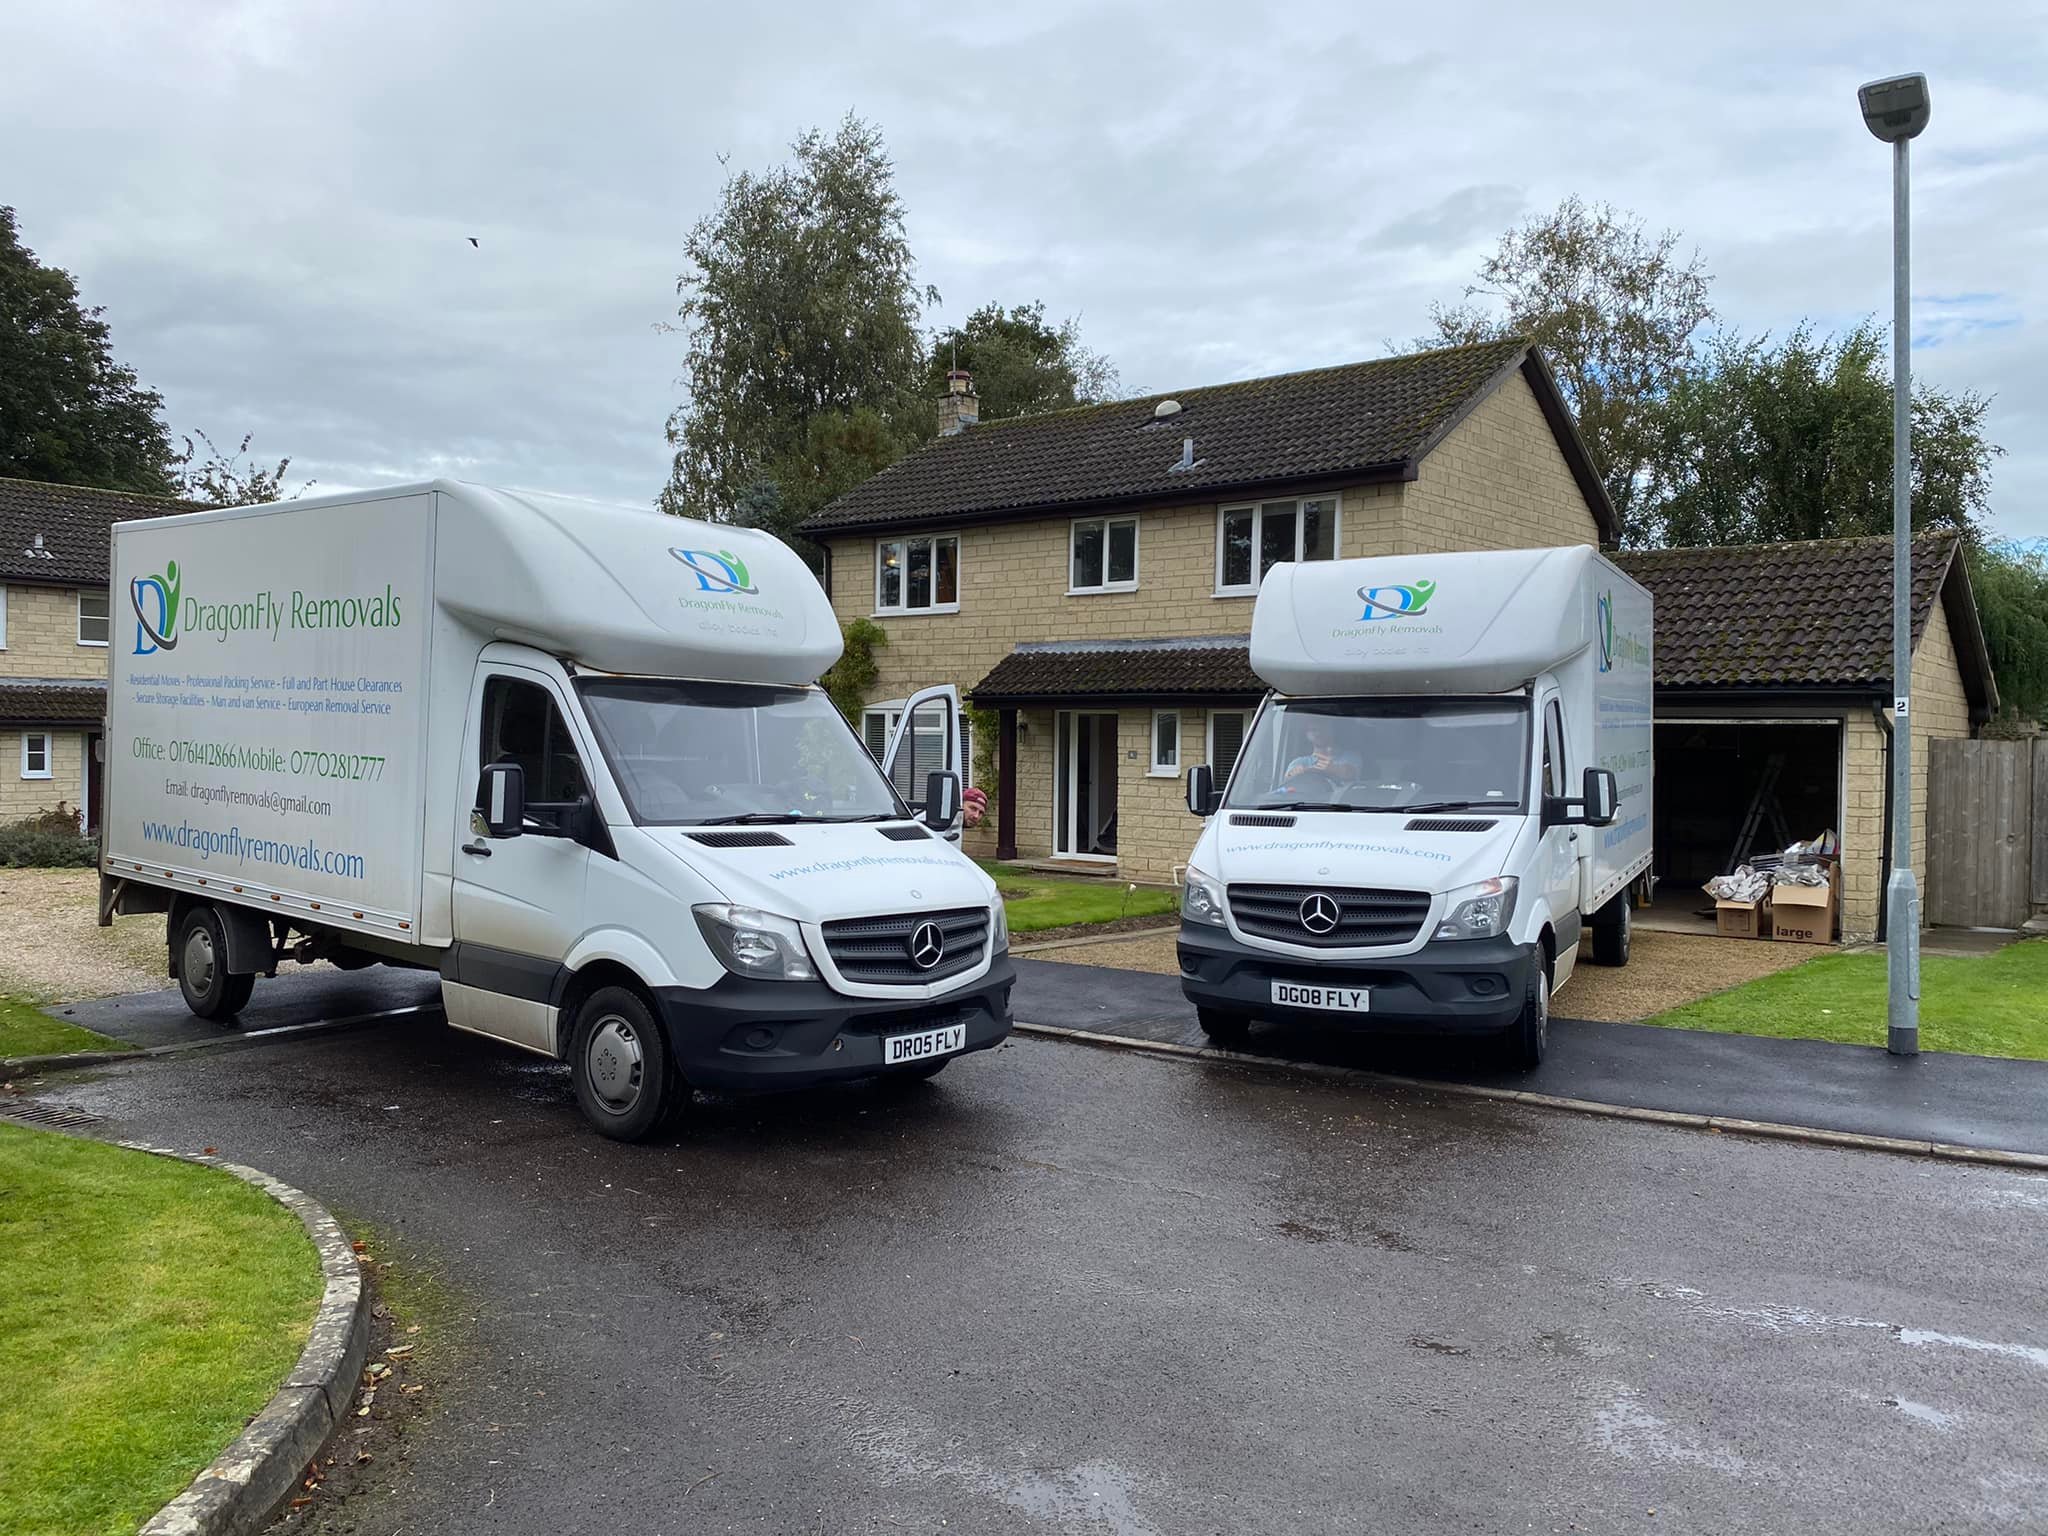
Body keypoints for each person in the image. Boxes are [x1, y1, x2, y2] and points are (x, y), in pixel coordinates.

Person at [1284, 721, 1360, 787]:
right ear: (1306, 734)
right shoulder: (1298, 762)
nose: (1317, 733)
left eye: (1322, 729)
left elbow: (1350, 773)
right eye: (1313, 730)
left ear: (1332, 730)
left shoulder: (1350, 757)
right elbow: (1286, 784)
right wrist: (1296, 774)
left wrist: (1334, 769)